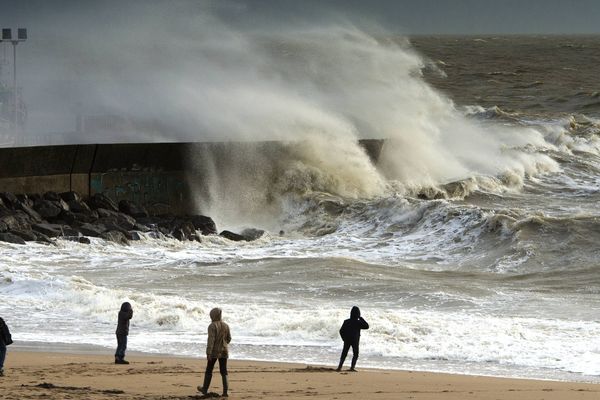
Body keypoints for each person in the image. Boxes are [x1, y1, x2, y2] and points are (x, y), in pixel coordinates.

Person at [198, 307, 231, 397]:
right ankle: (225, 392)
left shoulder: (212, 326)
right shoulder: (226, 325)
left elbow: (211, 340)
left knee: (209, 369)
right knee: (224, 371)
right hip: (224, 351)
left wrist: (208, 353)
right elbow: (229, 339)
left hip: (214, 352)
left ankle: (205, 388)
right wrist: (223, 344)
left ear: (213, 315)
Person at [336, 306, 369, 372]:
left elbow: (341, 331)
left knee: (344, 353)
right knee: (355, 354)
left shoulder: (346, 321)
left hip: (347, 339)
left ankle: (339, 367)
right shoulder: (358, 322)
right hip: (355, 340)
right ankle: (352, 368)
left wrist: (343, 338)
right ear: (358, 314)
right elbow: (367, 326)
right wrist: (361, 318)